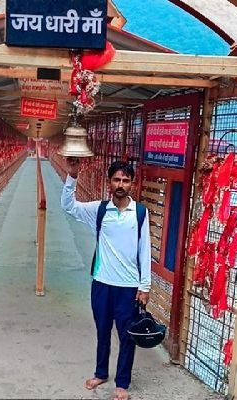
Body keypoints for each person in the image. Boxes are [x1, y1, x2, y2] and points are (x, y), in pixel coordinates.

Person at [61, 158, 152, 400]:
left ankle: (122, 383)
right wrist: (72, 176)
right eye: (116, 179)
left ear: (132, 184)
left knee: (127, 336)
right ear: (109, 182)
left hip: (128, 287)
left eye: (125, 180)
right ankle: (101, 373)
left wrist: (145, 287)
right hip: (102, 283)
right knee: (102, 330)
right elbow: (68, 206)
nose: (121, 184)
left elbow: (145, 251)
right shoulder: (99, 210)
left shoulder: (140, 213)